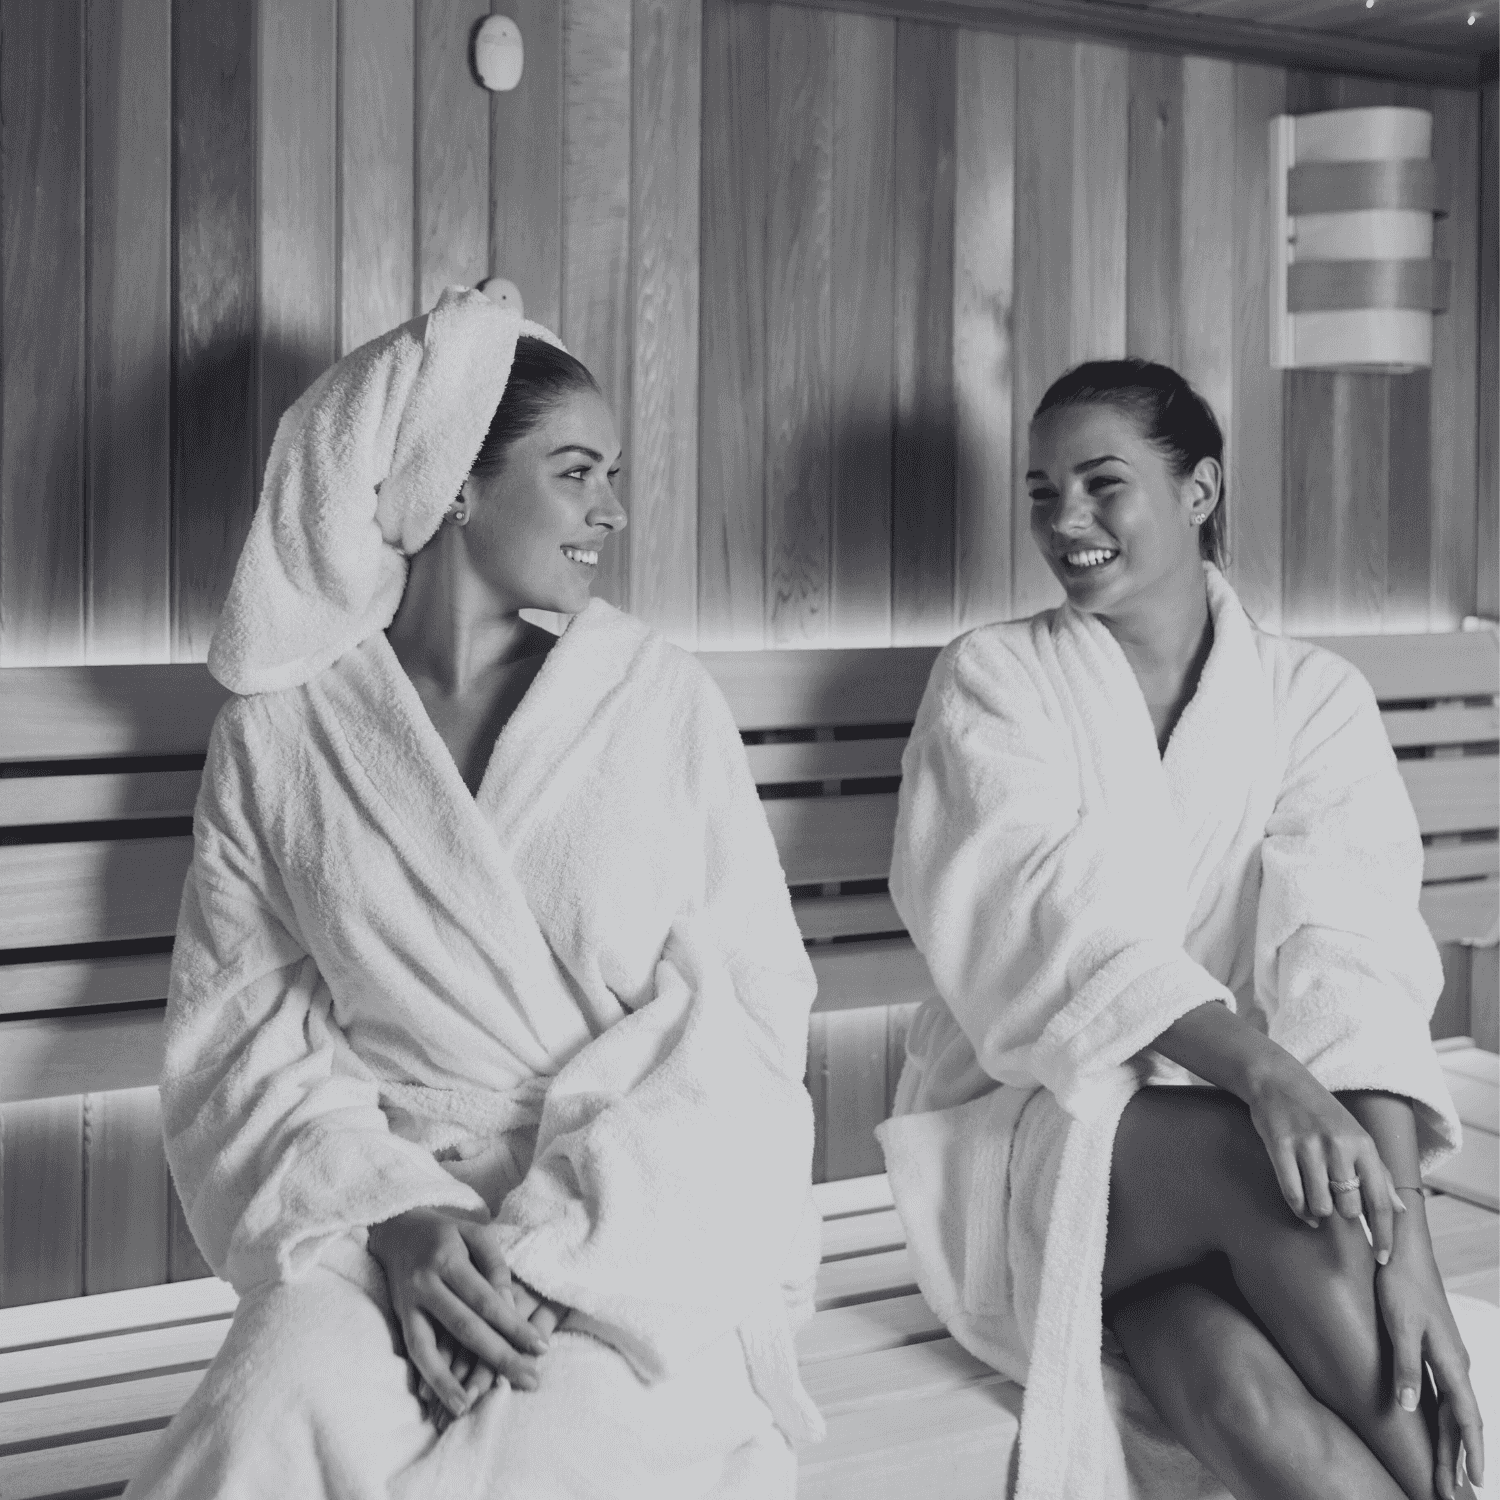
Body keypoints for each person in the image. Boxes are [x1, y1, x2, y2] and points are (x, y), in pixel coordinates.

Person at [126, 287, 822, 1500]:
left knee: (544, 1458)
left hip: (631, 1219)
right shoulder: (287, 735)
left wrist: (553, 1243)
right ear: (457, 482)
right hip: (382, 1211)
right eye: (575, 471)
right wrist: (397, 1220)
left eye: (612, 473)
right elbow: (240, 1030)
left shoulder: (657, 702)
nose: (611, 508)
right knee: (261, 1424)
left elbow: (743, 1017)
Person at [877, 358, 1488, 1500]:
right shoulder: (994, 680)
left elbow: (1347, 970)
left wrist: (1407, 1261)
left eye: (1104, 484)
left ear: (1199, 490)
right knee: (1265, 1171)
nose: (1068, 521)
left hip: (1255, 1168)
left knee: (1244, 1406)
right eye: (1042, 490)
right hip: (1032, 1135)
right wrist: (1262, 1078)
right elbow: (1042, 918)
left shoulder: (1312, 700)